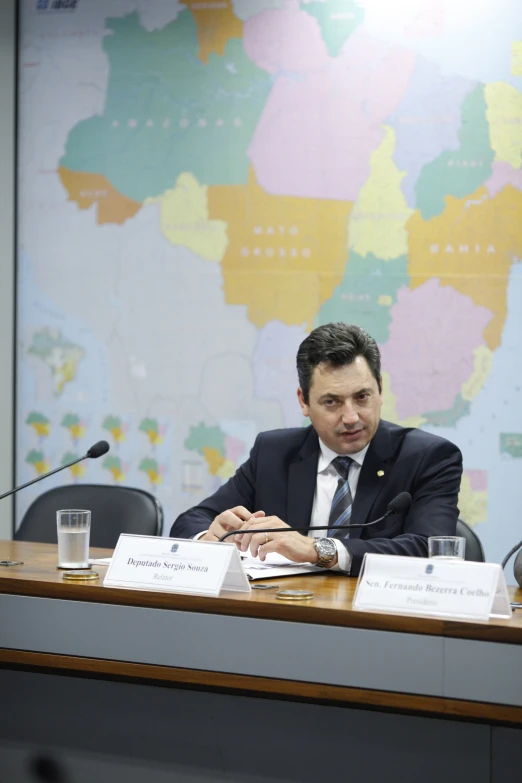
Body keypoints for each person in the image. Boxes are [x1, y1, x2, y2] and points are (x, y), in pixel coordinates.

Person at [170, 323, 463, 576]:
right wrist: (209, 537)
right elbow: (190, 521)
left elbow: (431, 548)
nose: (351, 417)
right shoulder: (273, 453)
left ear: (380, 390)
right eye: (332, 402)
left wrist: (317, 549)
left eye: (362, 397)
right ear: (304, 402)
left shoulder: (428, 457)